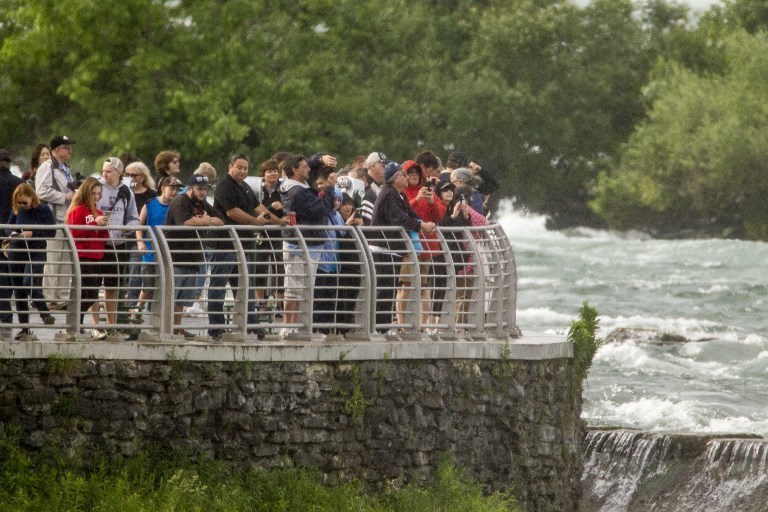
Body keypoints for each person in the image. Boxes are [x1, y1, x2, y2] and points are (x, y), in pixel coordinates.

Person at [210, 154, 274, 340]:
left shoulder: (245, 187)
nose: (243, 171)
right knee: (218, 286)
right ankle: (215, 327)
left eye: (246, 168)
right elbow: (232, 212)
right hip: (224, 245)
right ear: (230, 167)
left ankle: (251, 324)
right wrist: (255, 222)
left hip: (243, 245)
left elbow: (258, 207)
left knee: (245, 286)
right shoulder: (224, 186)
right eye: (239, 167)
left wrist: (279, 221)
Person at [370, 161, 437, 332]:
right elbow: (398, 218)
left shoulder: (400, 195)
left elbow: (410, 214)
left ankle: (384, 327)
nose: (407, 177)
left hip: (394, 249)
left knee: (391, 288)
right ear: (394, 178)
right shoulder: (389, 194)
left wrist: (423, 223)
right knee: (385, 288)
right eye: (403, 174)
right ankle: (380, 329)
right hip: (383, 248)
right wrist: (421, 226)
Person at [279, 154, 336, 332]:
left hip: (310, 244)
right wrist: (328, 189)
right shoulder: (296, 191)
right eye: (304, 167)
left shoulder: (302, 185)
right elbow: (320, 209)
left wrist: (321, 159)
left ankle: (299, 327)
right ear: (294, 170)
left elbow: (311, 164)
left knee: (304, 288)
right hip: (298, 245)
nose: (308, 169)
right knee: (294, 288)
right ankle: (288, 327)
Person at [164, 175, 224, 339]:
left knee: (182, 299)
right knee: (172, 295)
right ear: (190, 188)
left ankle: (176, 328)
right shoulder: (180, 201)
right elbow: (185, 222)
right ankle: (166, 329)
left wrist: (205, 220)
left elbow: (220, 220)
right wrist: (205, 221)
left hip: (192, 258)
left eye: (205, 189)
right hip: (175, 256)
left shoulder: (203, 204)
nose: (203, 192)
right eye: (199, 188)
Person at [92, 157, 139, 334]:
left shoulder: (127, 191)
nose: (104, 174)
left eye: (109, 171)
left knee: (113, 286)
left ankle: (111, 326)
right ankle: (96, 325)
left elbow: (134, 217)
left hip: (117, 244)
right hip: (97, 243)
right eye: (103, 170)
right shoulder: (95, 187)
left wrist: (128, 229)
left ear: (118, 173)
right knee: (93, 285)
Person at [6, 184, 57, 340]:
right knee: (19, 290)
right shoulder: (17, 210)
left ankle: (44, 311)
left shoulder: (43, 210)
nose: (22, 206)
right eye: (19, 203)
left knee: (29, 281)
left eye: (24, 202)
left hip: (35, 252)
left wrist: (33, 233)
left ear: (32, 198)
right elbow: (8, 227)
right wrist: (13, 233)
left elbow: (52, 231)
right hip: (17, 252)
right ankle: (24, 328)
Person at [402, 159, 446, 326]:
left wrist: (431, 202)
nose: (413, 176)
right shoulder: (402, 192)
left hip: (426, 246)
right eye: (410, 173)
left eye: (416, 173)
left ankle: (423, 324)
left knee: (424, 286)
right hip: (408, 246)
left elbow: (439, 215)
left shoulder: (427, 190)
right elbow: (403, 213)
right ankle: (402, 324)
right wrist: (416, 200)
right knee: (405, 286)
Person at [65, 177, 110, 340]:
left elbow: (103, 236)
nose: (96, 197)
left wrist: (104, 226)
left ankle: (78, 324)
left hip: (97, 255)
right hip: (83, 256)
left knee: (92, 293)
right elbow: (75, 233)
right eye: (93, 193)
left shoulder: (97, 211)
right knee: (86, 292)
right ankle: (75, 324)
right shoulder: (77, 209)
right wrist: (95, 224)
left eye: (99, 194)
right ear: (86, 193)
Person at [35, 134, 76, 309]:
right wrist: (63, 196)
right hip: (53, 218)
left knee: (65, 259)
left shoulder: (64, 168)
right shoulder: (48, 166)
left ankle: (62, 296)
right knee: (53, 258)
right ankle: (50, 297)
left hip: (66, 218)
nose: (70, 150)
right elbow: (41, 191)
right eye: (67, 147)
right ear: (57, 150)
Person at [133, 176, 181, 320]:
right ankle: (137, 310)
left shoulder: (177, 206)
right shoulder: (150, 204)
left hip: (169, 251)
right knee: (147, 285)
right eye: (171, 188)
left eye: (176, 189)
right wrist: (140, 241)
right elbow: (139, 225)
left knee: (166, 285)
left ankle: (160, 316)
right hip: (150, 251)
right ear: (162, 188)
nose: (174, 192)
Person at [441, 184, 488, 330]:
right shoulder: (455, 212)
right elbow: (485, 222)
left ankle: (459, 324)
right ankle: (460, 326)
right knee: (464, 295)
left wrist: (466, 216)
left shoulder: (458, 211)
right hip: (464, 260)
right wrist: (463, 215)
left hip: (460, 259)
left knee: (462, 295)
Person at [123, 161, 157, 309]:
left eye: (133, 175)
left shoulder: (151, 195)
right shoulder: (122, 192)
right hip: (120, 238)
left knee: (135, 273)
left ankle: (132, 306)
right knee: (121, 274)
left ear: (141, 177)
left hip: (139, 240)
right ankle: (121, 305)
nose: (129, 177)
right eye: (127, 174)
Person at [187, 162, 218, 316]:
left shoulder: (199, 199)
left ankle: (193, 301)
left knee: (200, 268)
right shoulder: (188, 199)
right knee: (200, 268)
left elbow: (217, 217)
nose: (205, 190)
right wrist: (207, 220)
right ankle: (194, 301)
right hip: (197, 240)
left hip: (201, 238)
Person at [0, 149, 23, 338]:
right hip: (11, 235)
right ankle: (7, 316)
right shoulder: (18, 183)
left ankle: (5, 314)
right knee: (8, 275)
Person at [258, 159, 286, 311]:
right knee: (259, 267)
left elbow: (292, 206)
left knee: (279, 267)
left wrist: (283, 206)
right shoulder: (258, 190)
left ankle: (278, 303)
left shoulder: (283, 189)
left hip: (279, 233)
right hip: (261, 232)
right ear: (263, 175)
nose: (273, 173)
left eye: (275, 170)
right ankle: (260, 302)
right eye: (269, 171)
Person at [359, 151, 388, 223]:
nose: (386, 168)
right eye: (383, 165)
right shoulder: (364, 185)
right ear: (372, 166)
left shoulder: (382, 185)